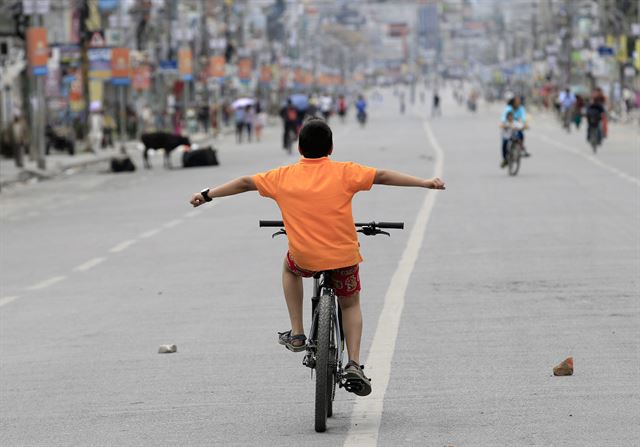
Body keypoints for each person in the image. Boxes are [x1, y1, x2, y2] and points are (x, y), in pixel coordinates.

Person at [189, 118, 445, 396]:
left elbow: (244, 182)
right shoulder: (345, 172)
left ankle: (297, 332)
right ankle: (354, 364)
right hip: (343, 257)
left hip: (305, 258)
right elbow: (382, 175)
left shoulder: (281, 176)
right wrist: (425, 183)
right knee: (349, 304)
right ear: (331, 147)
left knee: (289, 268)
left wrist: (207, 194)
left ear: (299, 147)